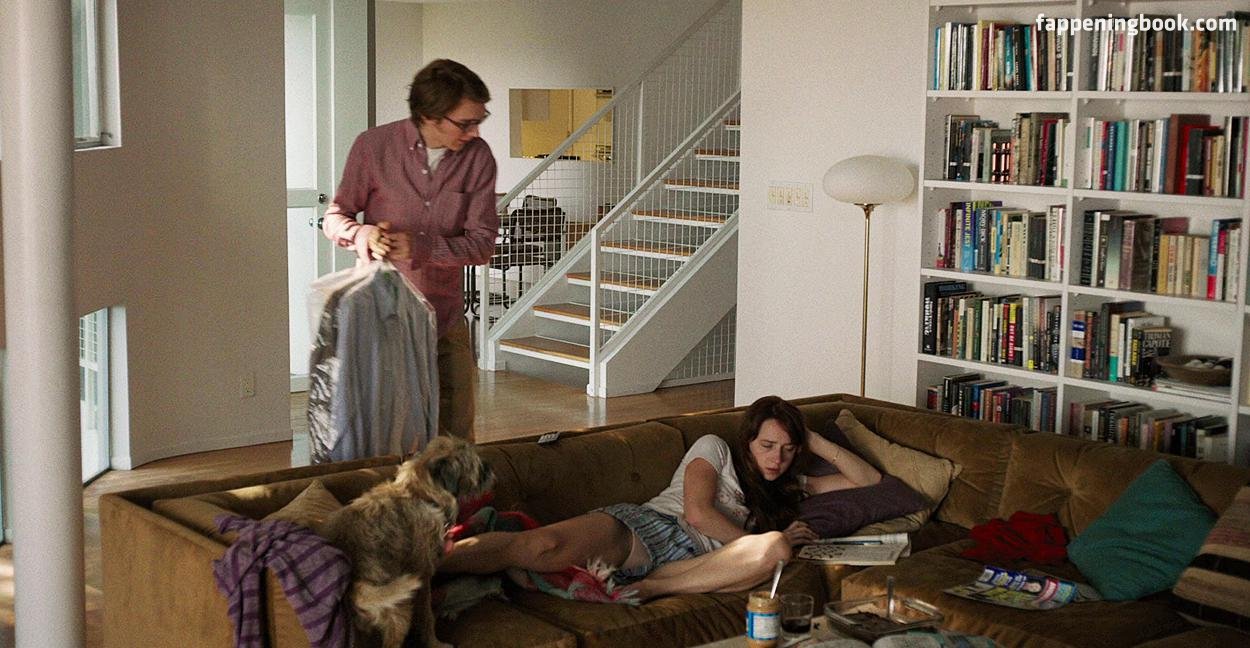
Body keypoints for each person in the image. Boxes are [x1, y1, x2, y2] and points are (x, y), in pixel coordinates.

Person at [440, 396, 882, 601]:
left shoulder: (789, 484)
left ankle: (651, 589)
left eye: (787, 449)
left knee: (778, 549)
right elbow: (698, 514)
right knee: (540, 546)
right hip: (647, 530)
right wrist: (751, 540)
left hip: (693, 566)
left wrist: (812, 440)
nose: (776, 458)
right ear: (748, 440)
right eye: (767, 445)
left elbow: (869, 479)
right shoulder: (715, 448)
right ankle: (426, 564)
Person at [321, 58, 497, 442]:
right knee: (385, 436)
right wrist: (364, 233)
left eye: (480, 120)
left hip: (444, 320)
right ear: (429, 116)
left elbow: (483, 244)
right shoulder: (373, 147)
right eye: (465, 123)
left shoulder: (478, 157)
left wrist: (423, 247)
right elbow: (334, 218)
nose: (475, 132)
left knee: (455, 442)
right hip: (381, 319)